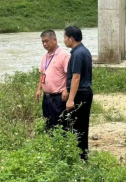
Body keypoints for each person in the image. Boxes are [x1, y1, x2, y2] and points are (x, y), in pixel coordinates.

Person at [63, 26, 93, 161]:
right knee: (81, 125)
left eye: (65, 37)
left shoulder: (78, 54)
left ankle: (81, 157)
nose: (64, 40)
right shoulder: (83, 51)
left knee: (78, 126)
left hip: (80, 93)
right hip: (84, 92)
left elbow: (76, 77)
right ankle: (82, 155)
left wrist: (71, 99)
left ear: (71, 38)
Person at [36, 30, 71, 130]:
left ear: (54, 40)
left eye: (47, 41)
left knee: (59, 124)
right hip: (46, 97)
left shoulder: (64, 55)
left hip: (58, 97)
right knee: (48, 123)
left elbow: (70, 75)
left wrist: (66, 90)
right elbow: (42, 74)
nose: (44, 44)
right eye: (43, 42)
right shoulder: (45, 56)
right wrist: (39, 89)